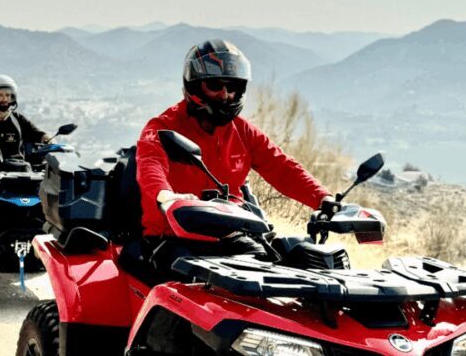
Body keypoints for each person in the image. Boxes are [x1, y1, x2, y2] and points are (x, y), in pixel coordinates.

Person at [135, 39, 340, 271]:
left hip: (228, 235)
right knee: (191, 281)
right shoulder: (162, 127)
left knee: (272, 271)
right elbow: (150, 165)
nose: (225, 95)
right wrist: (167, 197)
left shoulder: (242, 130)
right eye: (215, 86)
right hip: (173, 236)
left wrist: (323, 199)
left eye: (232, 88)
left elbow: (282, 167)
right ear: (195, 84)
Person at [0, 75, 48, 159]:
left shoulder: (19, 120)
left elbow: (38, 134)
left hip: (17, 168)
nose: (5, 99)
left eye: (8, 95)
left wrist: (50, 140)